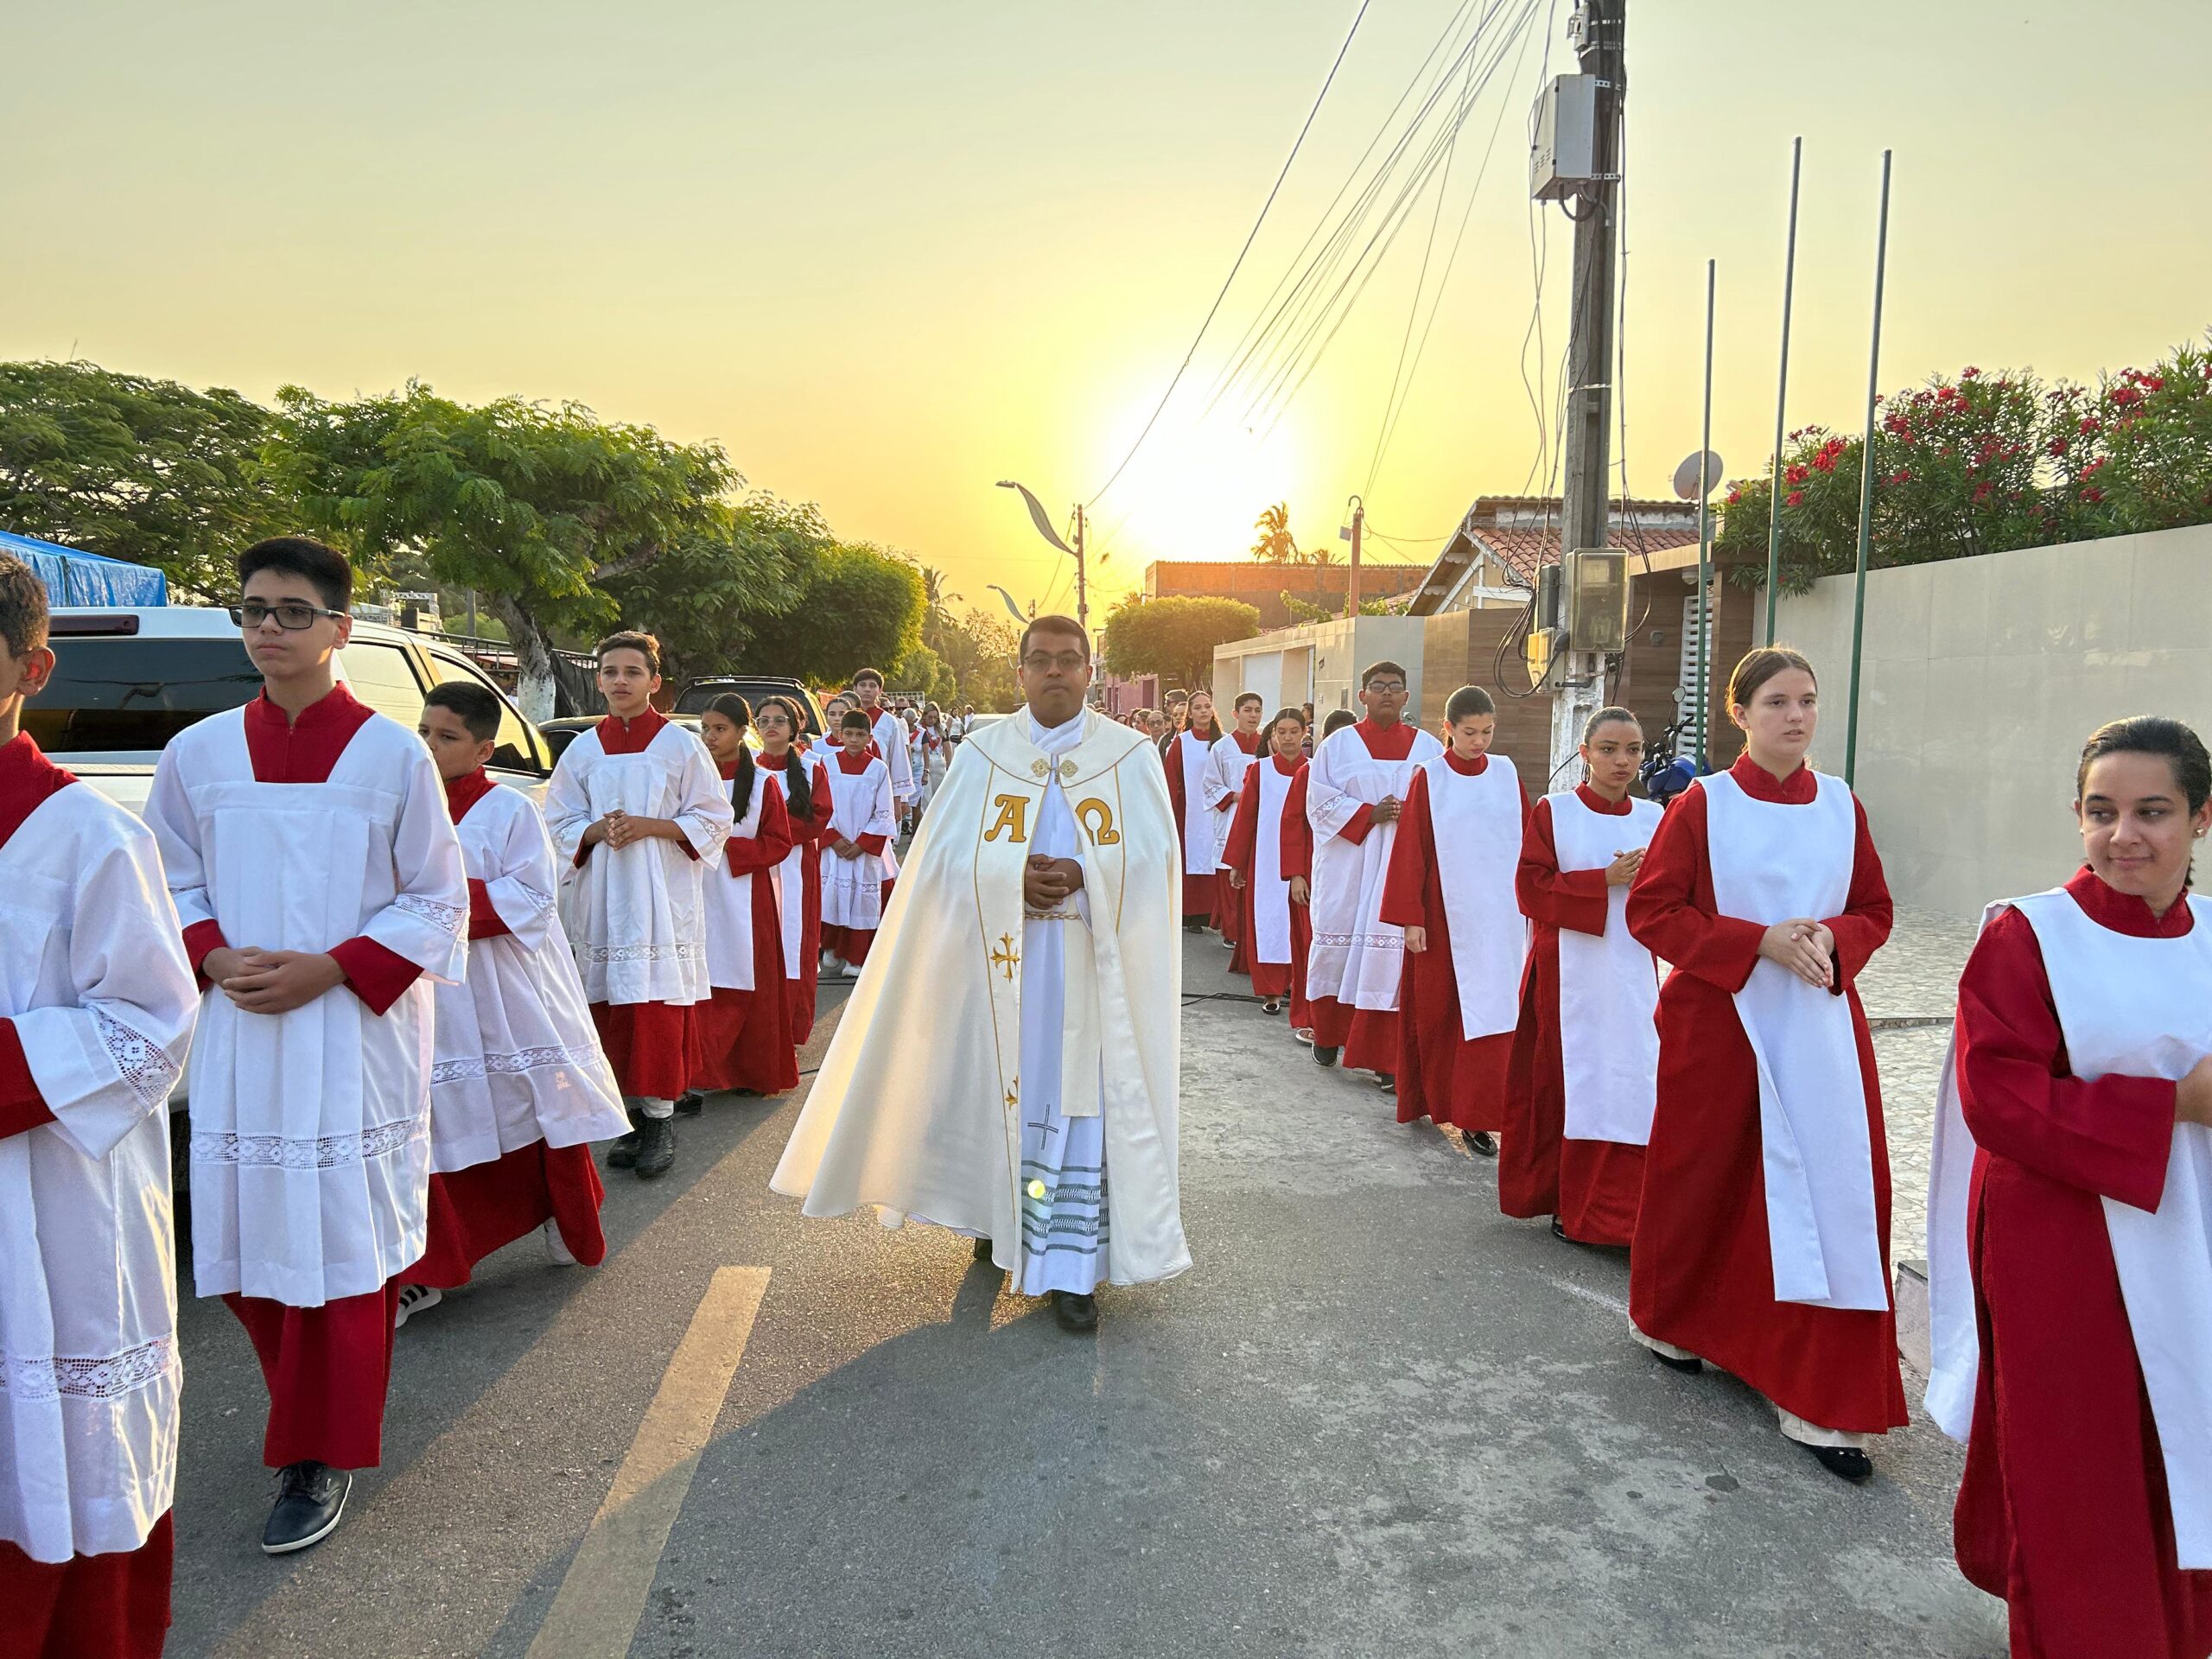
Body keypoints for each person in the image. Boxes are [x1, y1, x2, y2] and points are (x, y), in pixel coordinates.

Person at [144, 536, 468, 1554]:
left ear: (339, 628)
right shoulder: (196, 754)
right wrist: (210, 954)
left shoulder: (391, 753)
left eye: (290, 611)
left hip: (350, 1036)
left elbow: (436, 896)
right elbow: (168, 881)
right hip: (246, 1033)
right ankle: (303, 1417)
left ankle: (319, 1450)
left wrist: (334, 967)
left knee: (340, 1252)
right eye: (252, 610)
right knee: (248, 1248)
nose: (268, 629)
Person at [772, 615, 1187, 1334]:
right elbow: (936, 861)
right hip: (1003, 969)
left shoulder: (1131, 755)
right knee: (1000, 1092)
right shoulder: (981, 754)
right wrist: (1007, 878)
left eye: (1068, 660)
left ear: (1090, 671)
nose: (1055, 672)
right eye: (1040, 661)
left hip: (1088, 968)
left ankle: (1069, 1268)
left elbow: (1158, 864)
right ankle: (1000, 1221)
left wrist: (1086, 873)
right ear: (1020, 672)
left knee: (1075, 1107)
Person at [1925, 716, 2212, 1657]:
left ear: (2202, 819)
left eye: (2152, 812)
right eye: (2100, 811)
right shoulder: (2027, 932)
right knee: (2081, 1458)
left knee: (2178, 1439)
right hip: (2061, 1234)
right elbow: (1998, 1100)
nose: (2122, 834)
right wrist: (2170, 1104)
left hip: (2191, 1231)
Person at [1624, 645, 1903, 1481]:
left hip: (1818, 1026)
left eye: (1808, 701)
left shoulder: (1842, 806)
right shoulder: (1702, 804)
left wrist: (1832, 939)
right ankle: (1674, 1318)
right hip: (1721, 1019)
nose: (1796, 715)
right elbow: (1654, 910)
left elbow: (1875, 908)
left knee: (1826, 1193)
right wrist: (1758, 943)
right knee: (1707, 1176)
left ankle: (1813, 1386)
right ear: (1739, 714)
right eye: (1777, 701)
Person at [0, 553, 197, 1657]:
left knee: (56, 1454)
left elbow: (149, 1029)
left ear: (34, 665)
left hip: (48, 1196)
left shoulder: (91, 838)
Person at [402, 682, 630, 1322]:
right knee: (434, 1122)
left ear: (483, 748)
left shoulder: (507, 811)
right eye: (423, 732)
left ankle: (564, 1212)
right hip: (424, 991)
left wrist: (431, 906)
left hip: (500, 989)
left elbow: (531, 898)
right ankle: (431, 1267)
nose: (429, 746)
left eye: (446, 736)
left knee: (536, 1101)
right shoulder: (402, 805)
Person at [543, 631, 734, 1183]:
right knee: (609, 1009)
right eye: (609, 671)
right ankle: (628, 1115)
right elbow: (558, 820)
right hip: (603, 896)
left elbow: (714, 816)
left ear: (655, 681)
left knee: (655, 1009)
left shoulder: (679, 744)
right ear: (598, 680)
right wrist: (595, 829)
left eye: (632, 672)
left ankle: (661, 1120)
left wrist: (652, 826)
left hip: (659, 896)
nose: (620, 681)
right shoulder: (583, 748)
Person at [1500, 707, 1662, 1243]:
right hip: (1568, 974)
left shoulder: (1655, 818)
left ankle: (1627, 1214)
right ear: (1585, 752)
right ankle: (1570, 1204)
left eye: (1633, 750)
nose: (1622, 760)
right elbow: (1530, 889)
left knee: (1634, 1083)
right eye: (1610, 749)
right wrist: (1604, 880)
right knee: (1572, 1082)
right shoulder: (1556, 812)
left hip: (1635, 973)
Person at [1380, 685, 1529, 1129]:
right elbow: (1412, 849)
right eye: (1468, 732)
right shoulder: (1430, 777)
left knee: (1499, 1012)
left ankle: (1483, 1110)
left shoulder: (1505, 772)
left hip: (1502, 916)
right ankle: (1440, 1100)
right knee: (1442, 1013)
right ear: (1447, 729)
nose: (1478, 741)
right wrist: (1411, 918)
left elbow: (1528, 833)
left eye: (1486, 731)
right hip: (1445, 917)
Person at [1304, 664, 1442, 1077]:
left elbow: (1443, 803)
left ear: (1406, 697)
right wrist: (1370, 813)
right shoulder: (1337, 746)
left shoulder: (1430, 749)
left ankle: (1386, 1059)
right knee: (1337, 948)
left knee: (1391, 957)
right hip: (1349, 865)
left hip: (1402, 867)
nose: (1387, 694)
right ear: (1362, 696)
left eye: (1395, 688)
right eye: (1378, 687)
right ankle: (1328, 1036)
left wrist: (1410, 816)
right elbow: (1317, 803)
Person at [686, 695, 798, 1107]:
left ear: (740, 731)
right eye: (706, 728)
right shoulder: (690, 778)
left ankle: (749, 1069)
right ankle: (700, 1072)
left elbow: (779, 841)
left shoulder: (765, 783)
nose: (710, 737)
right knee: (701, 980)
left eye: (720, 729)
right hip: (696, 891)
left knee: (745, 983)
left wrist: (729, 848)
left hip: (745, 896)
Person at [1224, 709, 1310, 1015]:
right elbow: (1246, 817)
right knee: (1269, 921)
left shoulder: (1314, 770)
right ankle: (1271, 990)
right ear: (1273, 735)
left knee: (1297, 924)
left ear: (1304, 733)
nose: (1287, 738)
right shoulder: (1261, 771)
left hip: (1303, 859)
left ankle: (1296, 984)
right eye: (1281, 732)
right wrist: (1237, 862)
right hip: (1265, 858)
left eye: (1293, 731)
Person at [758, 696, 834, 1045]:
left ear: (794, 727)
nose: (771, 726)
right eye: (764, 720)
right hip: (756, 868)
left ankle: (788, 1026)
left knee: (792, 942)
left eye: (779, 720)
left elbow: (818, 817)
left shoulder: (811, 769)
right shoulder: (748, 769)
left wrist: (775, 835)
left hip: (794, 867)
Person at [1283, 709, 1357, 1043]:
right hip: (1316, 876)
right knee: (1312, 947)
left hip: (1356, 877)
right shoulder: (1310, 773)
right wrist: (1297, 874)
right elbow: (1293, 823)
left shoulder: (1365, 775)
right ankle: (1310, 1017)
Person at [819, 708, 899, 978]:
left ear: (870, 737)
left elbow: (884, 812)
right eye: (849, 734)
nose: (854, 739)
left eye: (860, 735)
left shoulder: (878, 769)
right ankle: (832, 949)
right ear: (840, 735)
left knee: (861, 902)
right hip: (835, 846)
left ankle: (857, 958)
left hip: (863, 850)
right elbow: (818, 806)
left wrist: (862, 843)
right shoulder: (826, 764)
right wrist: (832, 838)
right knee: (832, 896)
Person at [1204, 693, 1266, 962]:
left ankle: (1250, 929)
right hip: (1232, 815)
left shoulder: (1267, 744)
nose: (1253, 715)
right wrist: (1237, 796)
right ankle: (1232, 929)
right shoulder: (1222, 748)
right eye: (1248, 710)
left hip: (1262, 817)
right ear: (1235, 714)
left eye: (1258, 710)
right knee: (1230, 871)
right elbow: (1210, 785)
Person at [1162, 690, 1224, 931]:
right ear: (1191, 713)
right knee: (1193, 858)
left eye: (1207, 706)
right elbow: (1172, 776)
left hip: (1219, 808)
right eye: (1197, 707)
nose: (1203, 711)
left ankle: (1216, 912)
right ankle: (1192, 913)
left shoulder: (1223, 741)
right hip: (1190, 809)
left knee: (1217, 856)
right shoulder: (1182, 741)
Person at [850, 667, 915, 821]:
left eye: (872, 686)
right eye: (863, 685)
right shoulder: (846, 717)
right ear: (855, 689)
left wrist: (899, 799)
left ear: (880, 690)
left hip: (880, 787)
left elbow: (898, 759)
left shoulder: (889, 721)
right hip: (849, 785)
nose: (867, 689)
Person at [913, 703, 950, 818]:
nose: (933, 720)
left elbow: (947, 749)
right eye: (930, 717)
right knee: (925, 796)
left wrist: (950, 766)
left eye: (935, 717)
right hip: (924, 764)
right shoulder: (918, 728)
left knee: (939, 795)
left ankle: (938, 821)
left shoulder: (942, 729)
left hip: (939, 762)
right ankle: (926, 823)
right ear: (924, 716)